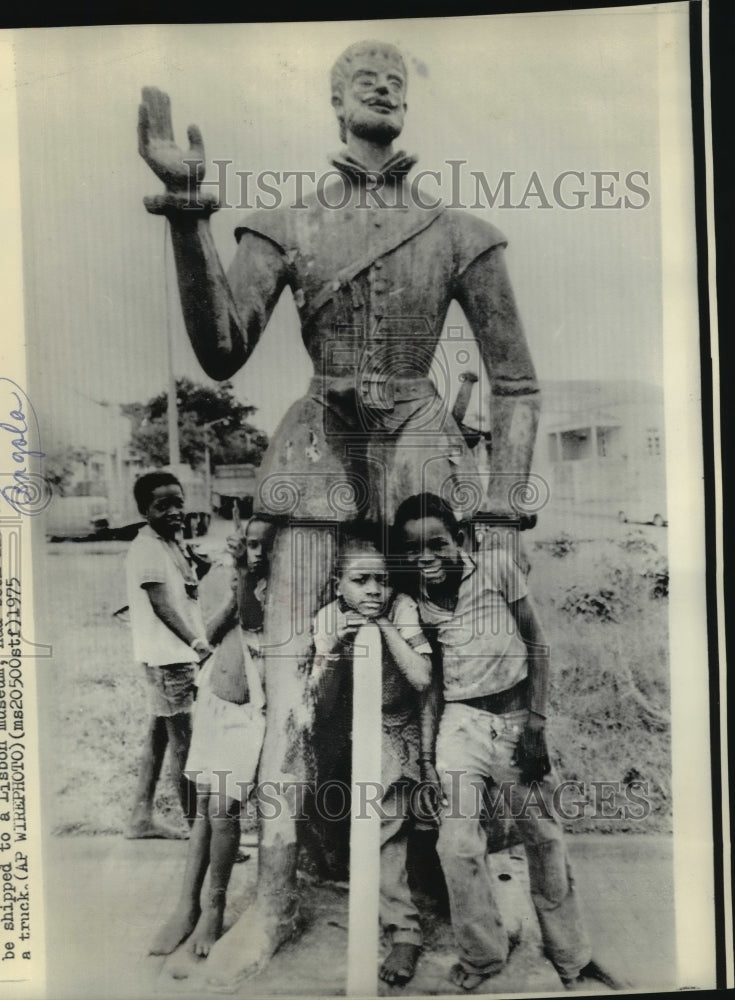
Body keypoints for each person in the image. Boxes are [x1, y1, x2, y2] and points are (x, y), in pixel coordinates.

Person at [137, 39, 541, 983]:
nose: (384, 82)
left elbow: (516, 384)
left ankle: (451, 895)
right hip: (315, 451)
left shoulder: (455, 232)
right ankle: (273, 901)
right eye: (363, 74)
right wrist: (189, 216)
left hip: (422, 458)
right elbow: (222, 350)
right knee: (286, 689)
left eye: (399, 75)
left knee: (449, 688)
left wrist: (507, 510)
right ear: (330, 97)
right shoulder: (283, 223)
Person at [392, 492, 619, 992]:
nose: (427, 557)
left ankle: (573, 957)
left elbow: (537, 643)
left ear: (461, 541)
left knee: (543, 837)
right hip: (461, 724)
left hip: (516, 719)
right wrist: (430, 757)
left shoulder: (495, 569)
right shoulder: (418, 603)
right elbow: (432, 683)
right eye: (413, 550)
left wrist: (535, 726)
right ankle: (482, 957)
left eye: (438, 544)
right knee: (455, 846)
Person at [310, 524, 433, 987]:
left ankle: (405, 930)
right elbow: (318, 704)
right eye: (361, 581)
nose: (374, 589)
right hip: (344, 731)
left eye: (381, 579)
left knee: (384, 826)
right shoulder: (328, 618)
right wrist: (337, 647)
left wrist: (382, 625)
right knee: (346, 821)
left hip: (394, 727)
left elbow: (421, 678)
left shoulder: (400, 609)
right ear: (337, 585)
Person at [150, 513, 276, 963]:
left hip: (248, 713)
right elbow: (210, 632)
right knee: (204, 808)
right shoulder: (232, 576)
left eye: (266, 546)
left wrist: (243, 571)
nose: (259, 554)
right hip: (215, 702)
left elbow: (255, 615)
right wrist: (232, 575)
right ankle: (187, 906)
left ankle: (214, 907)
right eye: (252, 545)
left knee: (224, 810)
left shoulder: (274, 586)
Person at [124, 471, 212, 839]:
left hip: (172, 658)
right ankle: (199, 834)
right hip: (169, 660)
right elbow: (162, 605)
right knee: (186, 747)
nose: (175, 511)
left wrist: (198, 567)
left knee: (161, 737)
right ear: (145, 510)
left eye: (179, 502)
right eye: (163, 506)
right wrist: (197, 644)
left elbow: (184, 591)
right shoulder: (147, 548)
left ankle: (140, 819)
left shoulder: (169, 542)